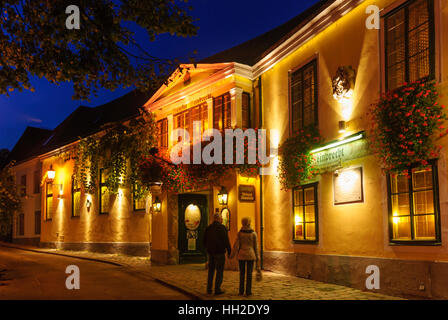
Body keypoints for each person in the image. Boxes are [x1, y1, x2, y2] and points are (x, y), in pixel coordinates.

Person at [203, 212, 231, 295]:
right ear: (219, 219)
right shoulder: (222, 228)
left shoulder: (208, 228)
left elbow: (204, 240)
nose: (221, 219)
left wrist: (207, 249)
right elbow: (226, 240)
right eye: (221, 218)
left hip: (211, 253)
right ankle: (217, 289)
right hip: (220, 252)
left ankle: (209, 289)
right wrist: (229, 251)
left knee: (211, 271)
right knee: (219, 271)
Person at [230, 217, 259, 296]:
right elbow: (256, 247)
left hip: (241, 254)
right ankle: (248, 291)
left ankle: (241, 290)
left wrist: (232, 254)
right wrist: (257, 257)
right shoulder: (253, 233)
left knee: (242, 273)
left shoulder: (240, 233)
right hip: (250, 254)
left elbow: (236, 245)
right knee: (249, 273)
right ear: (249, 222)